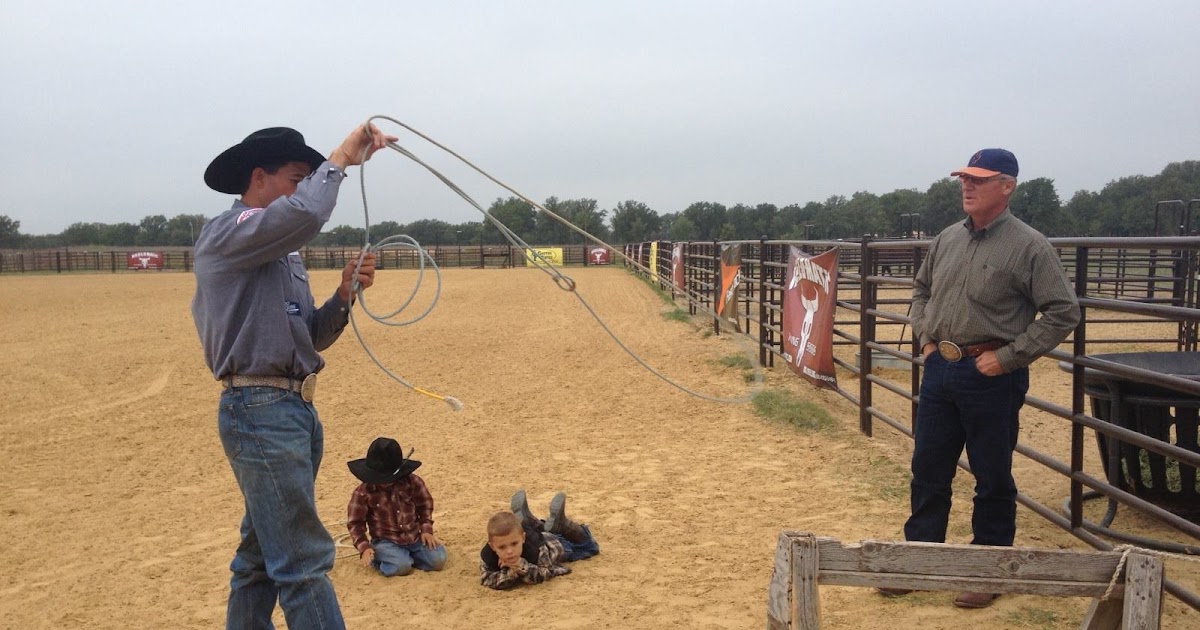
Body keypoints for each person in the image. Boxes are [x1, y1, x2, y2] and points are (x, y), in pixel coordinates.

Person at [192, 123, 396, 630]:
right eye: (296, 177)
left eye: (309, 178)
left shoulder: (280, 254)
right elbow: (306, 213)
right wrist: (342, 158)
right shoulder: (226, 233)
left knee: (260, 559)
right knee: (303, 564)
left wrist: (345, 295)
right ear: (259, 177)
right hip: (260, 411)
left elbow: (310, 336)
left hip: (291, 412)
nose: (304, 189)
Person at [884, 148, 1080, 609]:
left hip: (991, 375)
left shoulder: (1030, 246)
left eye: (978, 179)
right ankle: (920, 560)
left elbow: (1063, 311)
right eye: (963, 179)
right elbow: (921, 290)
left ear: (1006, 186)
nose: (966, 186)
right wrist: (926, 339)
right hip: (940, 369)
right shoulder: (948, 238)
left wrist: (1009, 357)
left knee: (991, 475)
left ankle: (987, 569)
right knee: (928, 468)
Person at [345, 437, 448, 576]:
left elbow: (425, 505)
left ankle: (407, 557)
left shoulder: (413, 482)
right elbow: (355, 523)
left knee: (438, 560)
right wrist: (364, 547)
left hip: (415, 537)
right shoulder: (363, 492)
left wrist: (426, 530)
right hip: (385, 542)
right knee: (402, 566)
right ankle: (384, 559)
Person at [479, 490, 600, 589]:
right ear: (492, 546)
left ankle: (563, 524)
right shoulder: (488, 556)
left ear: (523, 538)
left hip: (555, 544)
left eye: (514, 544)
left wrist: (521, 566)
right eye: (502, 547)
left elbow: (546, 572)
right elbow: (486, 579)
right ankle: (531, 521)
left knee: (589, 546)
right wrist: (511, 572)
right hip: (539, 533)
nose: (509, 551)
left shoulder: (536, 550)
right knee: (544, 528)